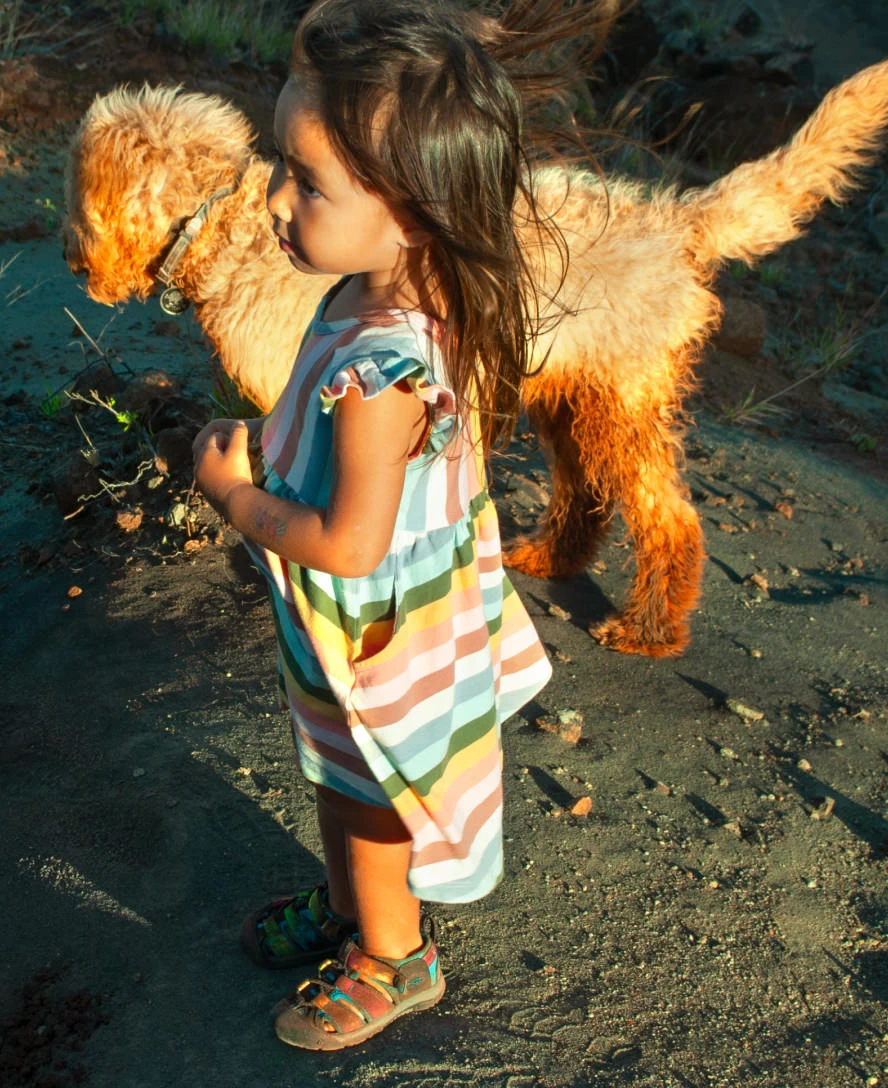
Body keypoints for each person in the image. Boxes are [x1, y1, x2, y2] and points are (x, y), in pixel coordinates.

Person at [192, 0, 614, 1052]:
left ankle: (395, 954)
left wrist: (234, 496)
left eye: (306, 181)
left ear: (415, 211)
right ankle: (352, 903)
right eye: (280, 164)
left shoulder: (382, 371)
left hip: (381, 639)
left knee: (375, 796)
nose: (273, 197)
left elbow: (350, 542)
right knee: (338, 775)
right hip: (352, 623)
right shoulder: (385, 289)